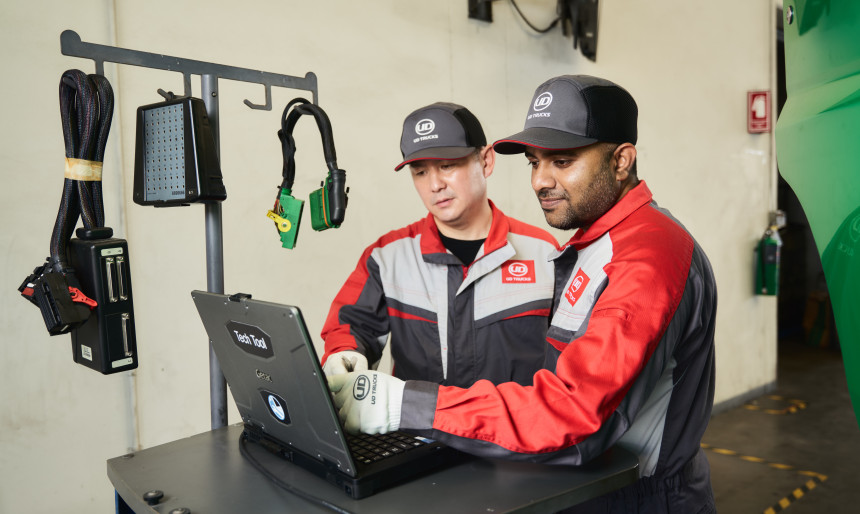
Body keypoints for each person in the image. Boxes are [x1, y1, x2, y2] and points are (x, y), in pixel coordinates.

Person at [329, 76, 718, 513]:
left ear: (622, 160)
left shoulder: (646, 254)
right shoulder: (591, 247)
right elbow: (351, 322)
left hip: (636, 497)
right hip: (546, 476)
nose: (540, 181)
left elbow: (575, 411)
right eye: (535, 162)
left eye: (563, 161)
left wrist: (406, 404)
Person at [320, 102, 559, 389]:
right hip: (418, 431)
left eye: (447, 166)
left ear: (486, 161)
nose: (434, 185)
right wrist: (345, 353)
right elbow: (352, 327)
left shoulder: (544, 252)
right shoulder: (387, 257)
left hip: (514, 432)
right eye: (420, 172)